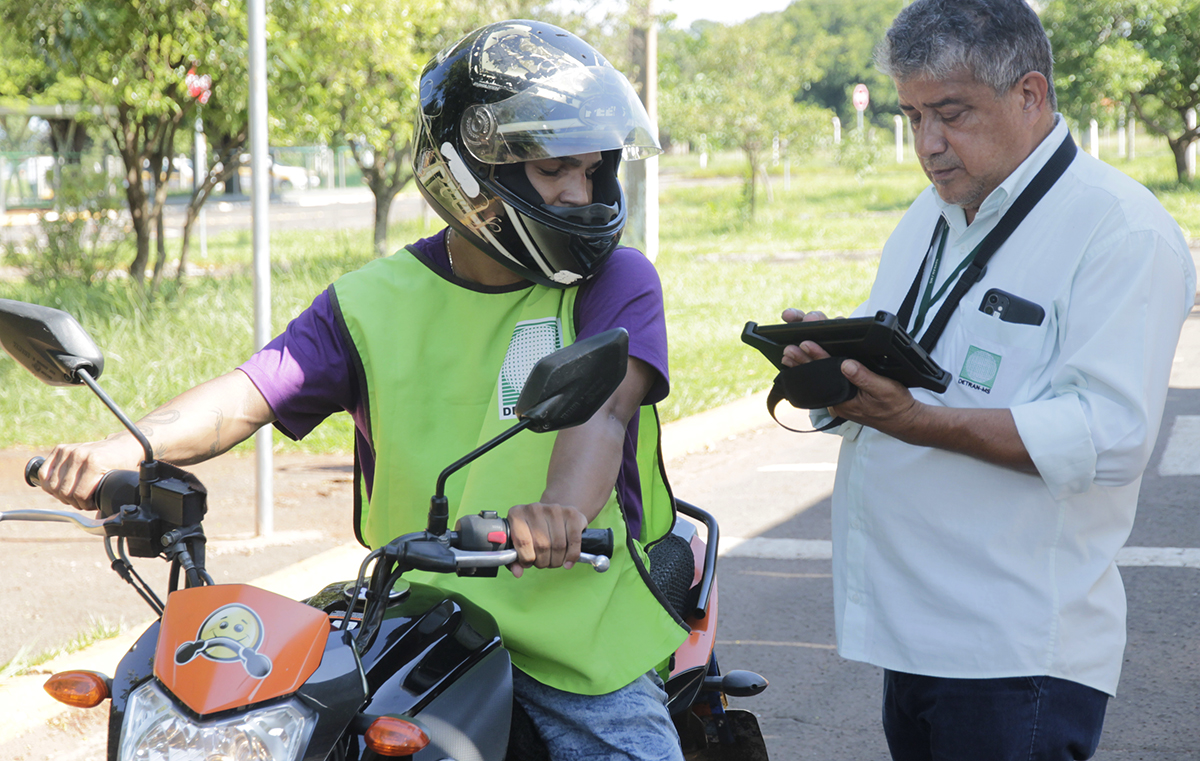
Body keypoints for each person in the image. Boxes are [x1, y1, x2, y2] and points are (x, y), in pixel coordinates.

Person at [36, 20, 688, 760]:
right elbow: (250, 391)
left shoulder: (615, 280)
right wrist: (125, 446)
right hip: (407, 618)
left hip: (573, 637)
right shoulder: (369, 302)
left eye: (593, 171)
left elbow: (603, 413)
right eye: (554, 170)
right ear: (469, 170)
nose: (580, 194)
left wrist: (560, 512)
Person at [780, 1, 1195, 759]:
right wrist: (837, 375)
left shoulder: (1120, 230)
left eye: (951, 114)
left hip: (1015, 653)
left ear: (1029, 94)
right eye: (912, 117)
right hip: (912, 636)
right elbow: (905, 367)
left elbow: (1108, 436)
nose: (928, 146)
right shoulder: (931, 214)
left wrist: (916, 421)